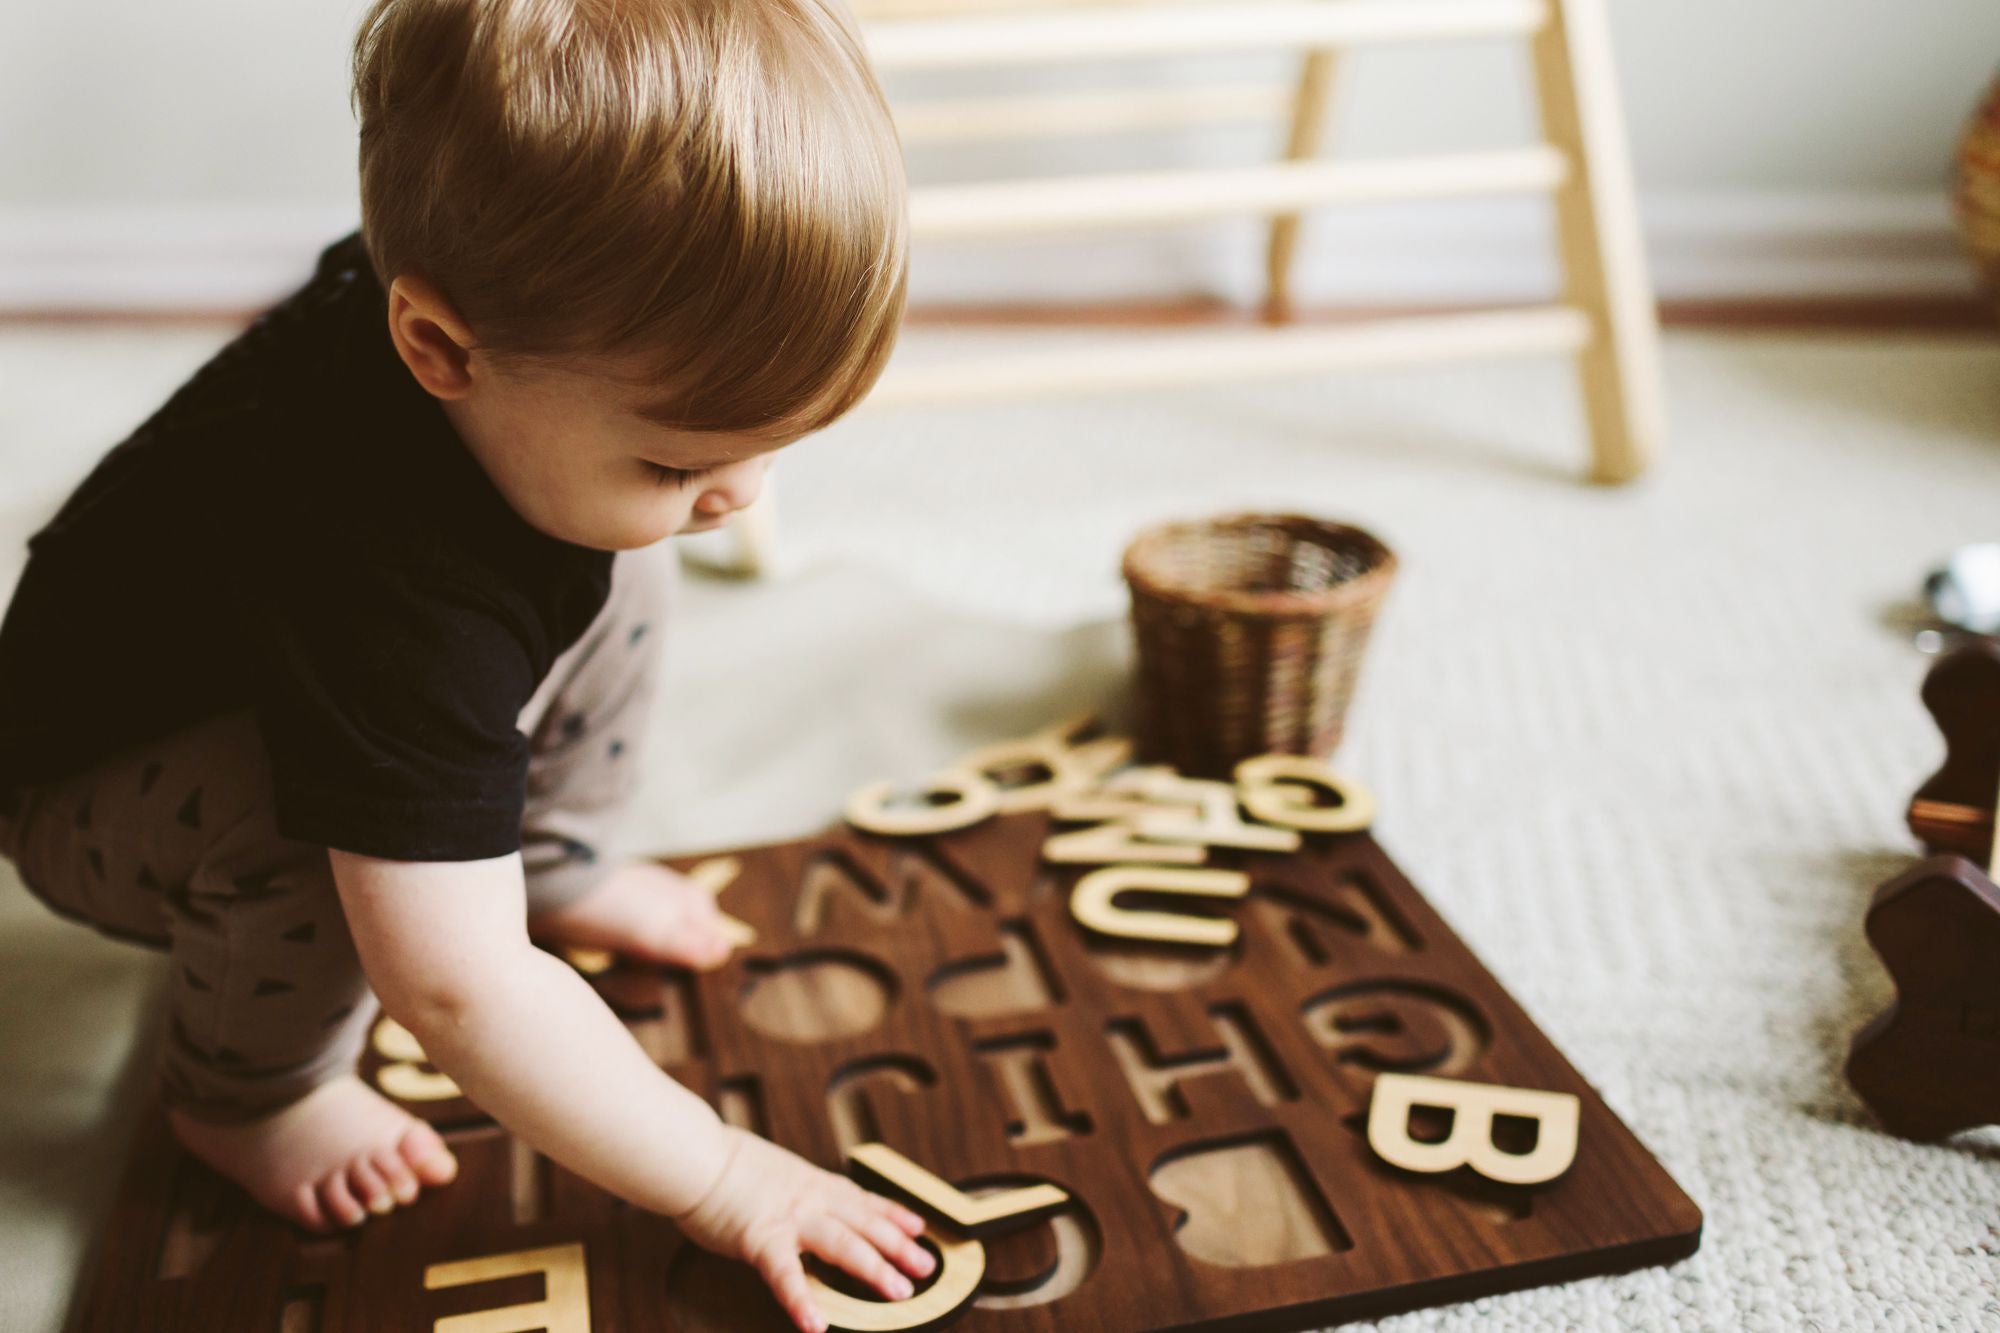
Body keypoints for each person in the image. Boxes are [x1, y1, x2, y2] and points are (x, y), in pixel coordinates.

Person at [0, 2, 930, 1328]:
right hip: (89, 786)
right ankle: (244, 1094)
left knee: (629, 554)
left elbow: (651, 508)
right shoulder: (391, 597)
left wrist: (667, 482)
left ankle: (550, 851)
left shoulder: (498, 316)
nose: (741, 494)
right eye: (680, 455)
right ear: (434, 347)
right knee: (329, 848)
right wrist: (726, 1178)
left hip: (304, 656)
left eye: (771, 445)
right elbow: (457, 989)